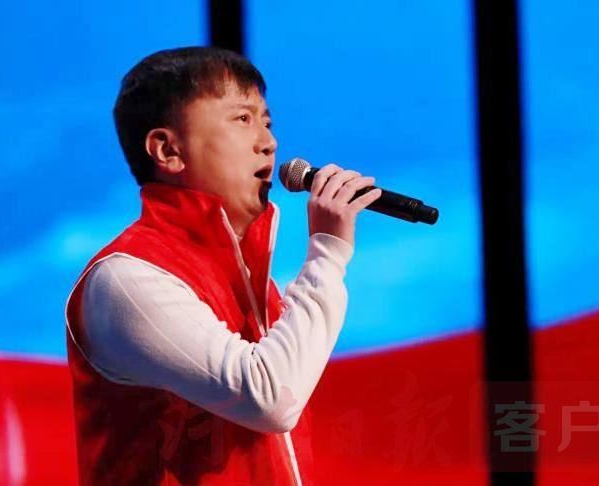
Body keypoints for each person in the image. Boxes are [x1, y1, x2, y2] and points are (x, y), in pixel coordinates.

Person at [64, 46, 382, 485]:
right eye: (243, 119)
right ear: (168, 150)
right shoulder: (126, 278)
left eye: (267, 122)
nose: (268, 142)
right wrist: (327, 254)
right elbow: (270, 399)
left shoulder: (254, 285)